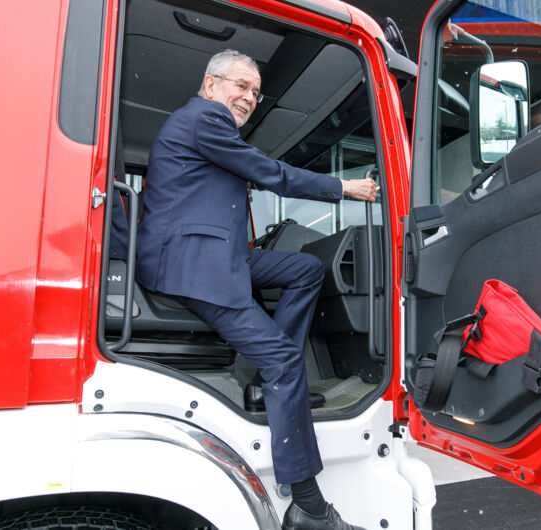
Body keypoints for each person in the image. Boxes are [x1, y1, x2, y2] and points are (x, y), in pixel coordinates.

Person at [136, 49, 373, 530]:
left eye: (255, 92)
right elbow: (272, 174)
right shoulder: (205, 118)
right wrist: (344, 189)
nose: (248, 97)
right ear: (210, 85)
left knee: (305, 269)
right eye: (240, 86)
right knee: (285, 361)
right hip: (192, 265)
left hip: (213, 255)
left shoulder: (201, 125)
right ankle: (308, 506)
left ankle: (268, 385)